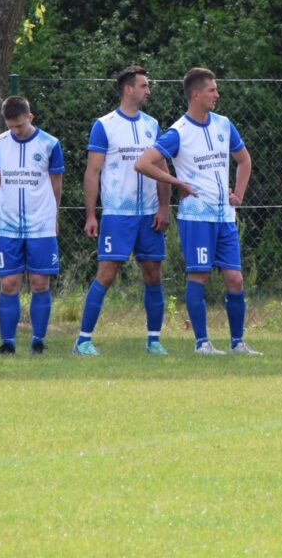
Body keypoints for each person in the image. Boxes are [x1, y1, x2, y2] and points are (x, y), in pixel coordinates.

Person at [135, 67, 260, 356]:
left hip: (224, 217)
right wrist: (177, 182)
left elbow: (243, 160)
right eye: (212, 90)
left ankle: (238, 343)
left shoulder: (224, 125)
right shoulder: (178, 132)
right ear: (196, 94)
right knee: (199, 277)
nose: (217, 94)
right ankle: (202, 343)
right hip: (196, 218)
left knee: (235, 279)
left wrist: (238, 194)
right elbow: (143, 163)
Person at [75, 65, 171, 356]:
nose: (148, 90)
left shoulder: (152, 125)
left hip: (149, 213)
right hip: (118, 214)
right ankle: (83, 340)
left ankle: (154, 340)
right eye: (144, 85)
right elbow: (93, 172)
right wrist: (92, 215)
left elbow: (162, 167)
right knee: (106, 273)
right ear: (128, 89)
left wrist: (164, 207)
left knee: (153, 273)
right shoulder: (104, 125)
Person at [0, 95, 64, 355]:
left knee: (40, 282)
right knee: (9, 283)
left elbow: (56, 185)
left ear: (30, 118)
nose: (16, 131)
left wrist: (54, 217)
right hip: (8, 226)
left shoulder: (51, 144)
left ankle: (37, 342)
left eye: (20, 125)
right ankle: (7, 343)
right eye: (11, 127)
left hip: (40, 225)